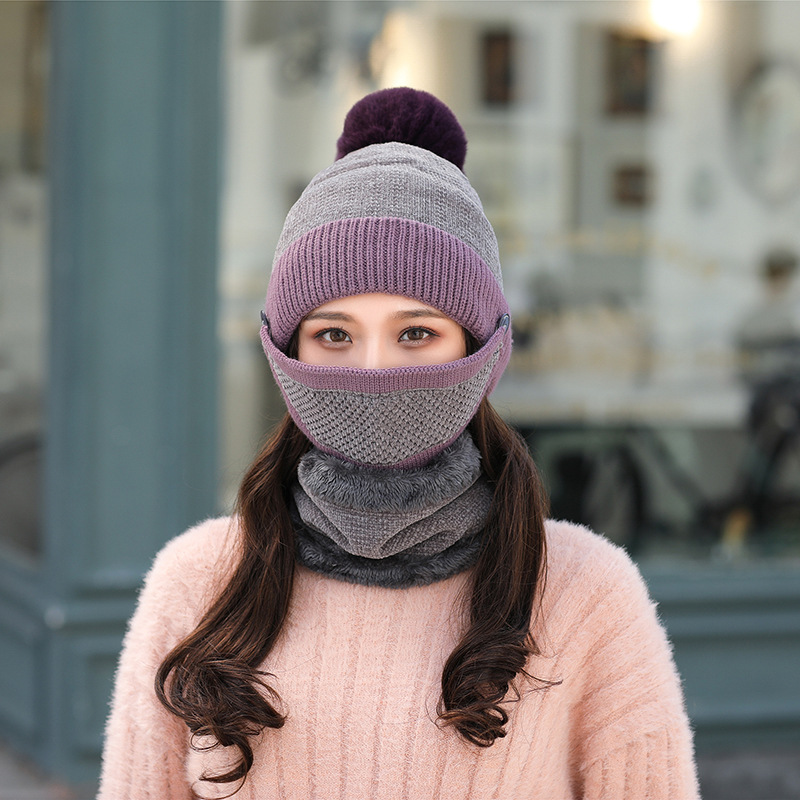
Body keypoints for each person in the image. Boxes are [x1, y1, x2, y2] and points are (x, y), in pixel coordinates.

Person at [97, 88, 699, 799]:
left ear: (484, 349)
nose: (374, 371)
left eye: (416, 333)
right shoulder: (198, 585)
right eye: (333, 335)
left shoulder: (586, 595)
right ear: (284, 352)